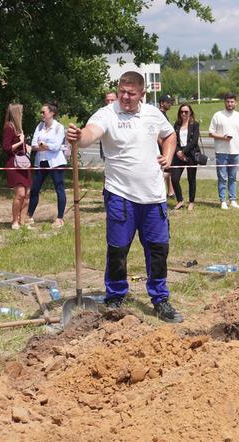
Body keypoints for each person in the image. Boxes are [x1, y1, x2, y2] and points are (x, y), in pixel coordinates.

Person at [66, 71, 182, 323]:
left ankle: (160, 299)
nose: (125, 98)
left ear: (142, 93)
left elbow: (169, 135)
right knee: (118, 249)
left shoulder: (153, 113)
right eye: (121, 92)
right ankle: (115, 296)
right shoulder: (107, 114)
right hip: (121, 195)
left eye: (131, 93)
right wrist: (79, 137)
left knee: (158, 250)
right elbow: (90, 134)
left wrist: (169, 155)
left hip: (153, 197)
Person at [27, 102, 67, 229]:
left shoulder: (59, 127)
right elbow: (33, 144)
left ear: (52, 113)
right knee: (34, 189)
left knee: (59, 189)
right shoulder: (39, 126)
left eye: (43, 112)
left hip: (56, 162)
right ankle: (29, 216)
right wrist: (43, 146)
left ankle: (60, 218)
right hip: (41, 161)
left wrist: (45, 145)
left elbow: (56, 146)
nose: (41, 114)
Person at [209, 93, 239, 209]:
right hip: (221, 151)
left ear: (236, 103)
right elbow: (211, 133)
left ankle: (233, 200)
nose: (230, 104)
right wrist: (222, 137)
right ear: (224, 102)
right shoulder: (218, 115)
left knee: (233, 177)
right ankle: (223, 201)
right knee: (222, 177)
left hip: (235, 152)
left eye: (232, 102)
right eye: (228, 102)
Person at [2, 104, 32, 229]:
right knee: (20, 194)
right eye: (21, 112)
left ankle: (23, 220)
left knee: (27, 194)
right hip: (14, 164)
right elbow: (6, 147)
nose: (23, 114)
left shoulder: (19, 129)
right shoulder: (9, 127)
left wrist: (26, 146)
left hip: (24, 164)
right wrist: (20, 141)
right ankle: (15, 221)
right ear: (16, 113)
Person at [170, 103, 200, 211]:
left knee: (191, 179)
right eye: (181, 112)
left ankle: (191, 202)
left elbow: (194, 141)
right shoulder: (176, 125)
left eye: (186, 112)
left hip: (191, 154)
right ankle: (180, 200)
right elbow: (173, 140)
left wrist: (184, 152)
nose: (184, 114)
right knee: (174, 178)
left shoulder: (195, 124)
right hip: (178, 155)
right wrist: (178, 151)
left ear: (190, 112)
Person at [159, 94, 175, 198]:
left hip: (164, 147)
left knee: (169, 169)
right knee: (166, 171)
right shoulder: (159, 115)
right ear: (162, 103)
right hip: (161, 148)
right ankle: (157, 186)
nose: (170, 104)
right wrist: (165, 146)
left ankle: (170, 192)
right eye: (168, 102)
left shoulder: (164, 114)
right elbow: (158, 134)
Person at [99, 92, 117, 161]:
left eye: (112, 100)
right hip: (107, 154)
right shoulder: (101, 113)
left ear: (117, 100)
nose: (110, 102)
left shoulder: (123, 113)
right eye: (108, 100)